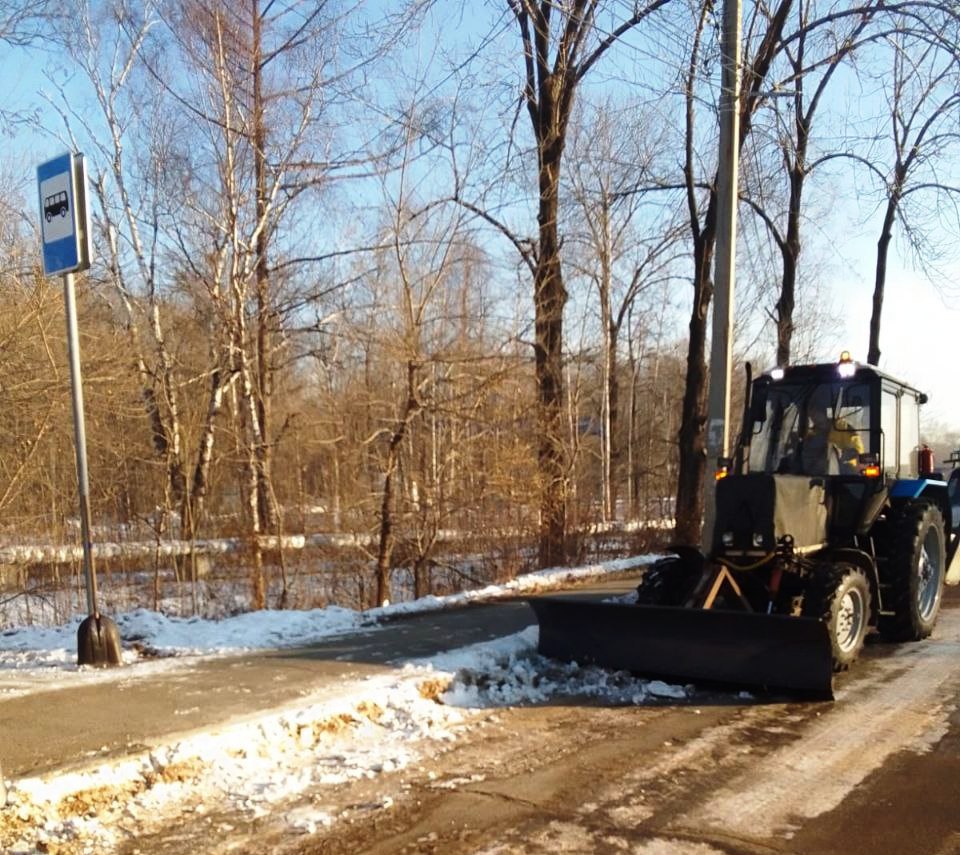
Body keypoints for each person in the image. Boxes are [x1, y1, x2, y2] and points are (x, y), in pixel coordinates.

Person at [801, 404, 864, 475]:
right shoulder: (811, 435)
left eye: (816, 413)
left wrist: (841, 455)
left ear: (823, 413)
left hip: (841, 474)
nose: (814, 417)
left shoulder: (841, 427)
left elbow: (857, 453)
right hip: (813, 473)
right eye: (811, 414)